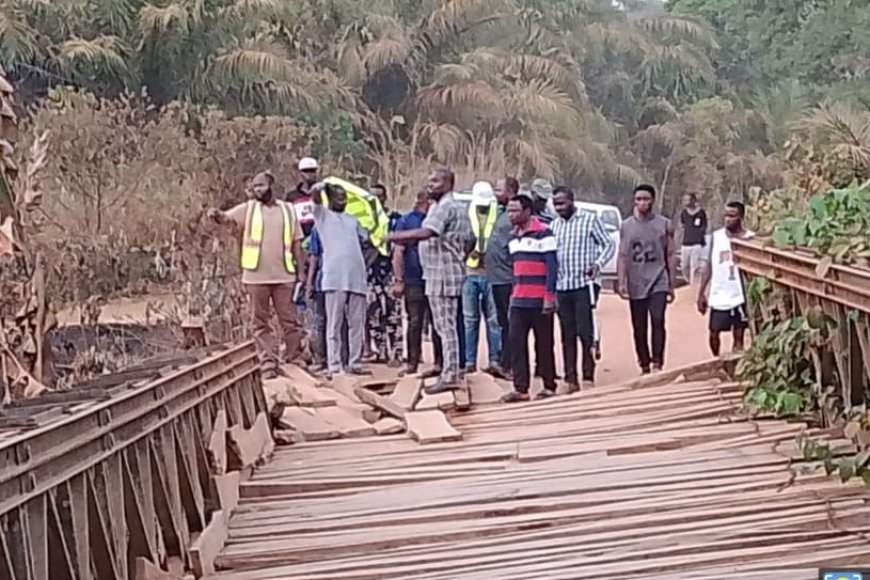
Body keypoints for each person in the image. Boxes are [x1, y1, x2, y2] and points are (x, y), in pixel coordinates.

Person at [207, 172, 306, 379]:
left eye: (261, 185)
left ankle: (294, 357)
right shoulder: (248, 208)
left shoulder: (288, 210)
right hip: (255, 276)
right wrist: (216, 215)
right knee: (260, 322)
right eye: (254, 186)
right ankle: (267, 361)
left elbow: (297, 242)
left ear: (271, 184)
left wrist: (301, 271)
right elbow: (226, 218)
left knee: (289, 320)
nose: (257, 189)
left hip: (284, 275)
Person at [389, 169, 472, 394]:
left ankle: (450, 374)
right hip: (442, 273)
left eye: (435, 181)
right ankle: (446, 368)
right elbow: (470, 239)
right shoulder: (452, 207)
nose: (430, 184)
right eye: (429, 180)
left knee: (446, 328)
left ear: (448, 183)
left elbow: (428, 232)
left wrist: (394, 236)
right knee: (443, 326)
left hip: (442, 275)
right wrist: (458, 257)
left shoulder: (446, 206)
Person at [551, 186, 615, 390]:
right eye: (556, 204)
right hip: (562, 286)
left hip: (584, 285)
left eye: (562, 203)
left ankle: (588, 374)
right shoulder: (553, 226)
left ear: (571, 201)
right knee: (566, 333)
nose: (559, 207)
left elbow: (608, 244)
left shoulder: (589, 220)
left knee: (584, 331)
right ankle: (571, 378)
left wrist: (598, 264)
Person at [501, 191, 558, 403]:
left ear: (527, 211)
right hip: (518, 298)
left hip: (539, 298)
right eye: (508, 211)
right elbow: (513, 267)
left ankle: (549, 385)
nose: (511, 215)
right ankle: (521, 388)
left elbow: (552, 267)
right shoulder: (512, 237)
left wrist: (549, 295)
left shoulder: (544, 233)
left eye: (515, 210)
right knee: (516, 343)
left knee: (544, 344)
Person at [311, 181, 371, 377]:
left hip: (357, 278)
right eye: (339, 198)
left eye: (345, 199)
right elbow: (315, 197)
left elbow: (368, 240)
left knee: (357, 323)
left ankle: (355, 362)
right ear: (331, 199)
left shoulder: (352, 220)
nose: (342, 201)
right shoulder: (323, 217)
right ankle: (334, 364)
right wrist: (320, 187)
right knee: (334, 324)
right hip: (334, 277)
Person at [617, 184, 676, 375]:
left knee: (658, 320)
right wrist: (622, 281)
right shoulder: (626, 226)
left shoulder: (664, 224)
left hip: (658, 279)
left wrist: (671, 283)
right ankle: (644, 363)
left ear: (653, 200)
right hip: (636, 282)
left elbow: (670, 253)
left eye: (646, 199)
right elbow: (623, 255)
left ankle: (657, 361)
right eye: (638, 199)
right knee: (639, 325)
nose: (642, 203)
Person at [393, 190, 443, 376]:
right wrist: (399, 279)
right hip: (414, 279)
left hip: (435, 277)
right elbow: (398, 252)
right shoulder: (407, 221)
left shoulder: (438, 221)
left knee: (438, 323)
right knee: (415, 321)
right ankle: (412, 362)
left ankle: (440, 362)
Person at [697, 201, 754, 356]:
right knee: (714, 332)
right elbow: (709, 265)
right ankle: (716, 358)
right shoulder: (716, 237)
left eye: (732, 216)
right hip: (719, 294)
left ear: (741, 217)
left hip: (740, 295)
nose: (728, 219)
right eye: (726, 215)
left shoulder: (750, 239)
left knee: (739, 332)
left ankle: (737, 360)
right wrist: (701, 293)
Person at [463, 181, 502, 375]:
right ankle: (470, 361)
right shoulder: (465, 214)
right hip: (470, 273)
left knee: (493, 321)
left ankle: (494, 360)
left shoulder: (500, 214)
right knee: (470, 320)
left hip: (491, 274)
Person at [366, 183, 403, 366]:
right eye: (372, 196)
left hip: (389, 271)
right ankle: (380, 351)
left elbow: (398, 248)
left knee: (393, 314)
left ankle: (396, 353)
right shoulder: (363, 220)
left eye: (379, 196)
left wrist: (398, 277)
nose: (376, 200)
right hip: (369, 273)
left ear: (385, 197)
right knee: (374, 315)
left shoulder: (394, 219)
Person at [486, 177, 519, 376]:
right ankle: (503, 362)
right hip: (496, 278)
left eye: (499, 190)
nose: (495, 193)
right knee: (503, 322)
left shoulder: (513, 218)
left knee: (510, 323)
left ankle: (510, 366)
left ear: (511, 191)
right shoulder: (500, 213)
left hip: (508, 278)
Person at [306, 226, 349, 371]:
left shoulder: (345, 226)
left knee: (336, 321)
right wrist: (310, 283)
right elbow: (314, 256)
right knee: (323, 322)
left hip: (337, 281)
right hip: (325, 282)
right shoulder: (319, 228)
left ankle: (340, 359)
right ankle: (323, 359)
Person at [287, 157, 320, 239]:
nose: (310, 174)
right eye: (306, 171)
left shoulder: (323, 193)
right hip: (301, 239)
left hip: (322, 239)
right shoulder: (292, 196)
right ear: (300, 173)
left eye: (313, 170)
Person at [679, 193, 707, 285]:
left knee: (694, 267)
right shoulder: (683, 213)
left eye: (689, 200)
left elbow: (704, 226)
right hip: (686, 243)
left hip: (697, 243)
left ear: (694, 201)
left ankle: (692, 285)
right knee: (684, 266)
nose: (687, 202)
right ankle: (688, 281)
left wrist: (700, 235)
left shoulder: (700, 212)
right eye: (685, 200)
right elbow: (683, 225)